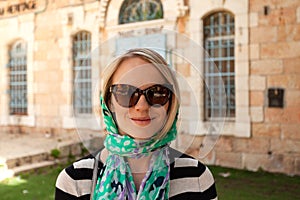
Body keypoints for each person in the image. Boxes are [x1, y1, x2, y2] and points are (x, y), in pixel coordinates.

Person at [55, 48, 217, 199]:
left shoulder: (197, 178)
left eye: (156, 93)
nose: (141, 106)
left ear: (170, 102)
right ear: (109, 102)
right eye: (126, 92)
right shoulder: (74, 181)